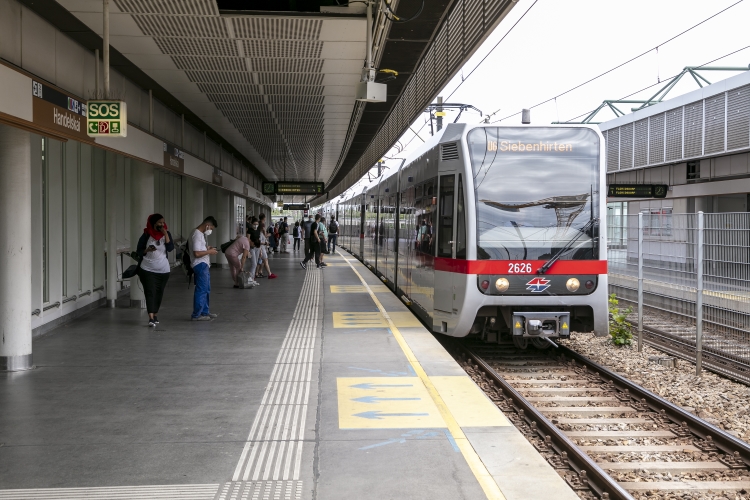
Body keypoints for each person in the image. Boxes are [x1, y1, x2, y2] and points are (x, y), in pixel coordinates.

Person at [136, 214, 174, 327]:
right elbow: (139, 251)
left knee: (159, 292)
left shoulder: (167, 234)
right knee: (150, 291)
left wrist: (165, 234)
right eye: (159, 223)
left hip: (163, 270)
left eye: (163, 222)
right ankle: (151, 317)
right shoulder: (146, 235)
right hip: (147, 269)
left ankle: (155, 314)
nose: (162, 225)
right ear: (153, 223)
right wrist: (147, 250)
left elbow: (170, 248)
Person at [190, 216, 219, 321]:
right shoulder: (197, 234)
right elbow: (197, 253)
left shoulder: (200, 234)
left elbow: (199, 249)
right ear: (207, 225)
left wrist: (207, 248)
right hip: (200, 264)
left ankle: (204, 312)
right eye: (211, 228)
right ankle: (197, 315)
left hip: (204, 264)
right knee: (201, 289)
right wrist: (209, 252)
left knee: (206, 289)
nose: (210, 231)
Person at [257, 213, 277, 279]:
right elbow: (265, 235)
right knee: (265, 260)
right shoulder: (261, 230)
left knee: (261, 261)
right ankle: (269, 274)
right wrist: (269, 235)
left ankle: (259, 272)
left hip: (260, 247)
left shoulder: (259, 229)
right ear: (263, 218)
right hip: (261, 247)